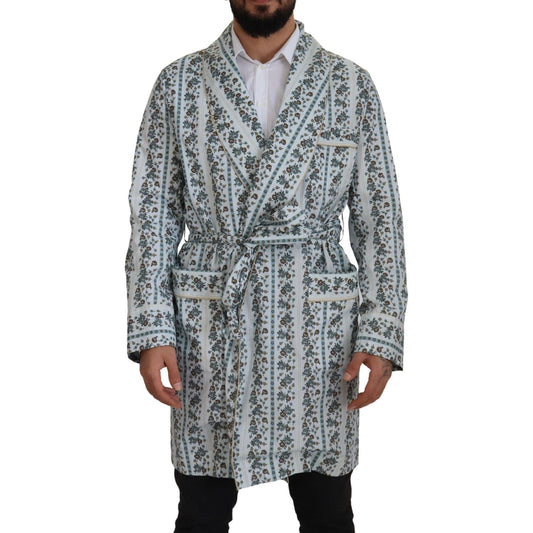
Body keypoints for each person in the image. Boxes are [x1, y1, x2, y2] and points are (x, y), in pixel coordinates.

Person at [124, 1, 408, 531]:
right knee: (201, 512)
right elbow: (154, 214)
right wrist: (153, 327)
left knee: (327, 513)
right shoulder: (179, 84)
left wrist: (381, 331)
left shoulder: (349, 85)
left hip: (315, 335)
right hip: (211, 327)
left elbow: (379, 219)